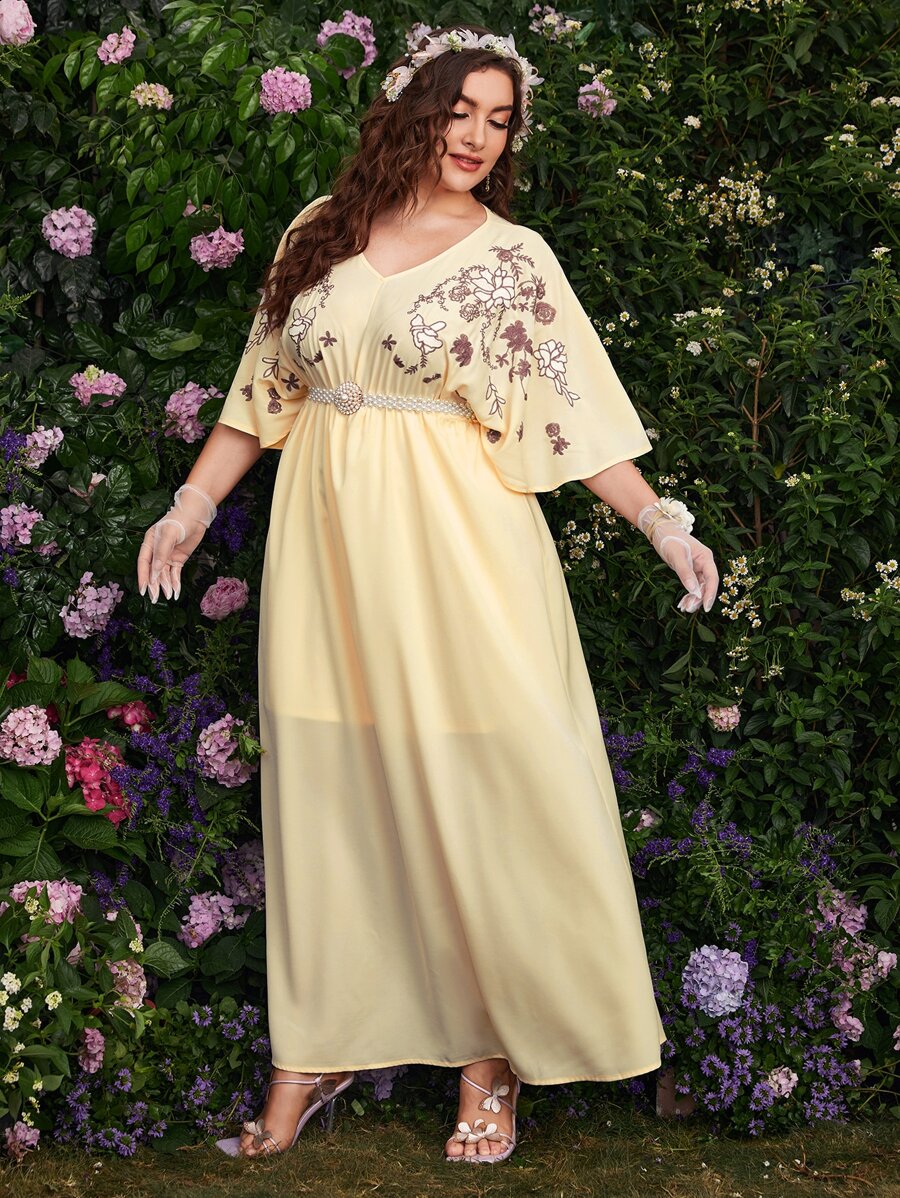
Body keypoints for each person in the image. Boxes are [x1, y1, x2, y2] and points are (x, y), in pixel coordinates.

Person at [136, 22, 718, 1166]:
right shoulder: (320, 231)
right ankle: (316, 1049)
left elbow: (575, 417)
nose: (480, 137)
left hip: (462, 551)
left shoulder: (512, 256)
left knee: (487, 788)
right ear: (414, 109)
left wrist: (660, 522)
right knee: (327, 790)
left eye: (501, 120)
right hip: (325, 552)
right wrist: (191, 508)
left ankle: (492, 1057)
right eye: (462, 111)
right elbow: (260, 396)